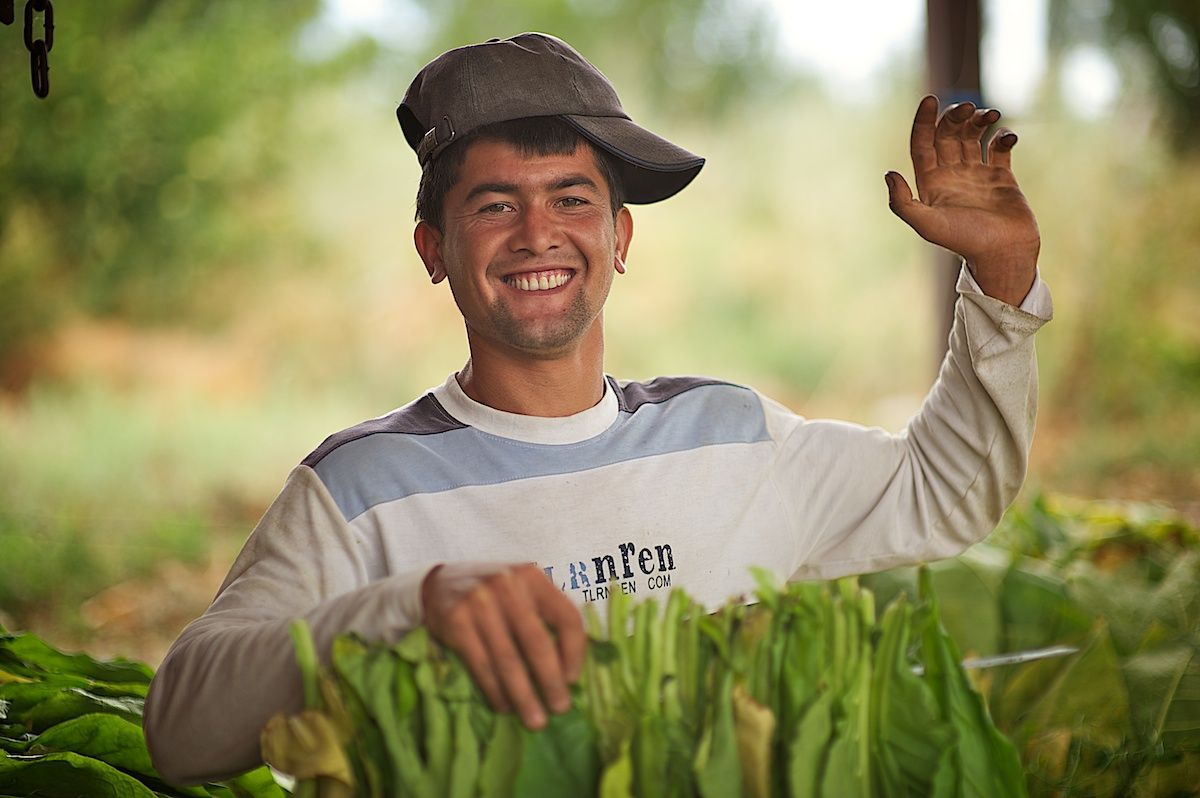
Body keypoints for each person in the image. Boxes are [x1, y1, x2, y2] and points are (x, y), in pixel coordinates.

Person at [144, 32, 1051, 785]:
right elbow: (181, 732)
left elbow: (947, 492)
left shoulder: (731, 437)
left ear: (618, 238)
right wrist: (403, 606)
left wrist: (1001, 283)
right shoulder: (359, 489)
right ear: (434, 247)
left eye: (571, 198)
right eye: (495, 204)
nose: (538, 234)